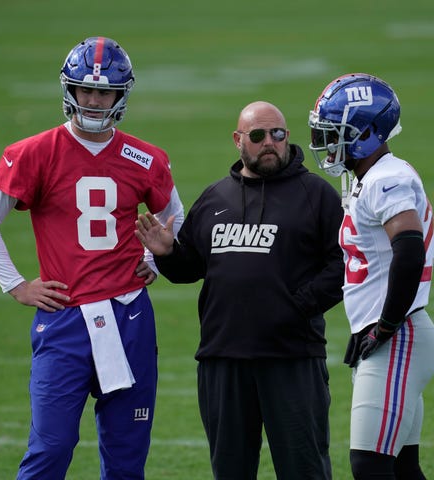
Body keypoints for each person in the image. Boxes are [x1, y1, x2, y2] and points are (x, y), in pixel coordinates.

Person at [0, 36, 184, 480]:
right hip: (64, 317)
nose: (95, 99)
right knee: (50, 450)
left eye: (104, 91)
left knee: (127, 457)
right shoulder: (32, 152)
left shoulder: (144, 156)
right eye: (86, 89)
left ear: (120, 95)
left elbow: (175, 215)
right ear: (70, 90)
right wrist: (16, 284)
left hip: (129, 317)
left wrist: (154, 258)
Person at [134, 100, 345, 480]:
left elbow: (343, 264)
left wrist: (298, 306)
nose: (270, 143)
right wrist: (166, 254)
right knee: (230, 471)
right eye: (259, 135)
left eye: (277, 134)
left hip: (292, 358)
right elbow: (192, 268)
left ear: (287, 137)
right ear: (238, 139)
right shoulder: (216, 198)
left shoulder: (317, 195)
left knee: (305, 469)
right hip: (222, 361)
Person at [308, 72, 434, 479]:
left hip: (400, 334)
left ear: (365, 132)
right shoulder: (372, 177)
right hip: (398, 331)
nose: (327, 143)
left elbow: (410, 249)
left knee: (370, 464)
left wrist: (386, 324)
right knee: (401, 467)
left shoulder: (385, 179)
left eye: (335, 132)